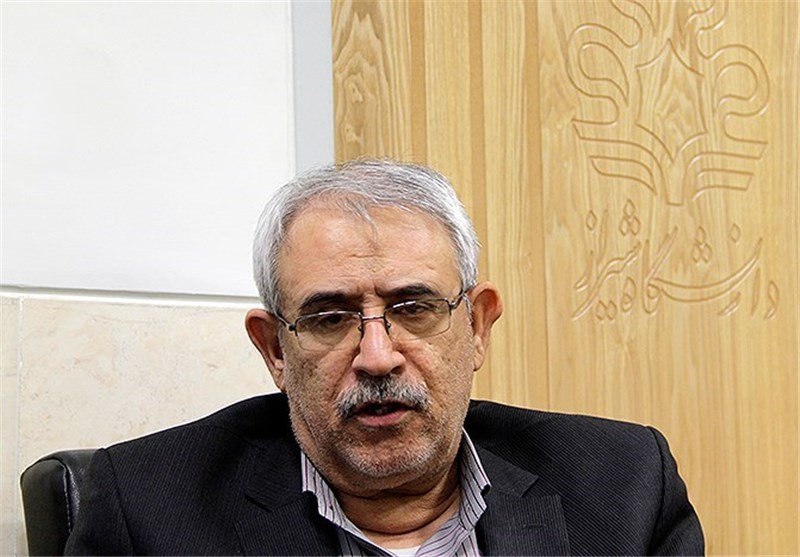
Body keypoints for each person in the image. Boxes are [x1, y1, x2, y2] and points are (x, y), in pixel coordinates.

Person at [65, 159, 704, 555]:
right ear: (275, 350)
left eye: (414, 308)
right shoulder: (149, 510)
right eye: (329, 319)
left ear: (477, 326)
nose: (377, 357)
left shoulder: (620, 486)